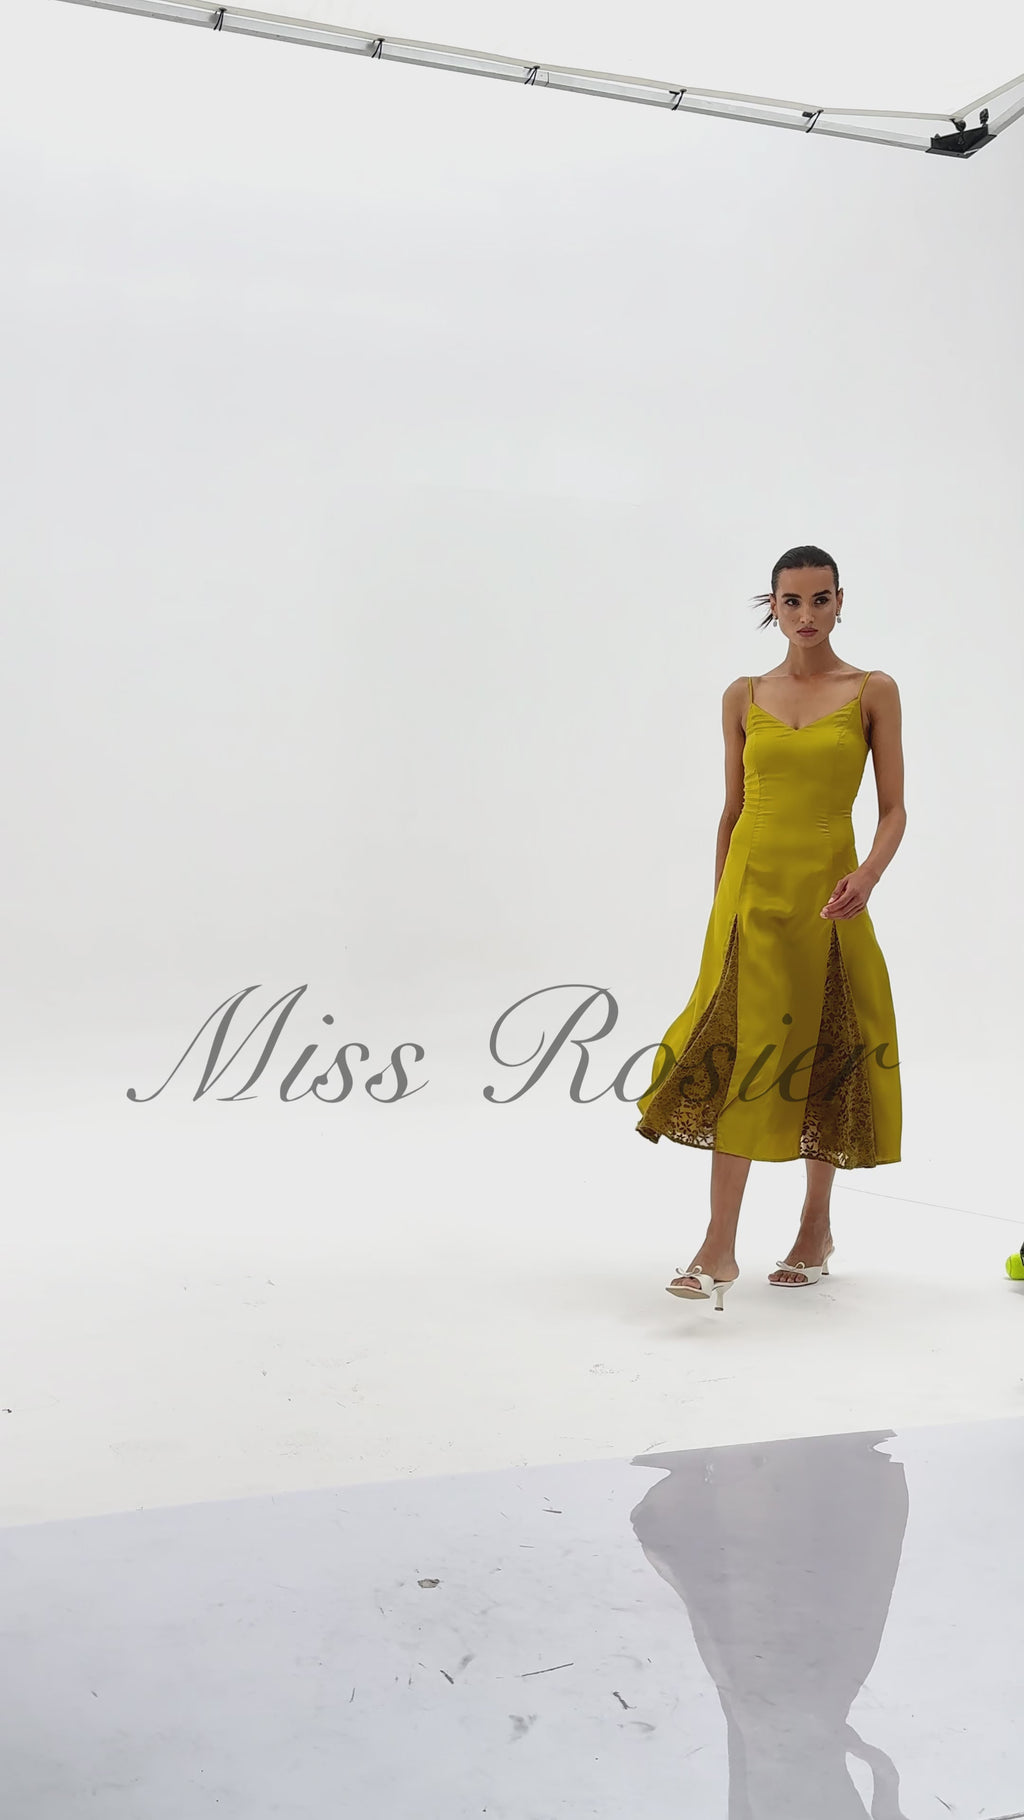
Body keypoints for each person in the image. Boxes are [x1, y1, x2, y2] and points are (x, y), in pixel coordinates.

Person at [635, 545, 905, 1308]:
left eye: (821, 599)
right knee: (738, 1058)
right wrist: (721, 907)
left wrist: (867, 877)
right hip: (749, 898)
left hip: (830, 897)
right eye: (792, 601)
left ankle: (815, 1230)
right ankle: (718, 1247)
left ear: (841, 601)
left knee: (828, 1050)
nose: (806, 614)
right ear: (773, 606)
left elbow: (893, 809)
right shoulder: (743, 695)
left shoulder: (873, 690)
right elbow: (732, 812)